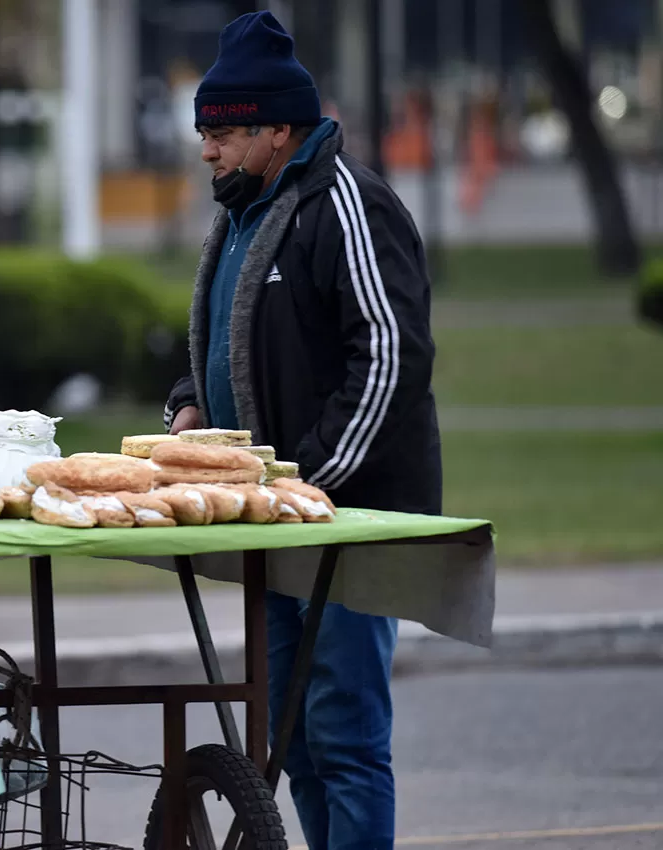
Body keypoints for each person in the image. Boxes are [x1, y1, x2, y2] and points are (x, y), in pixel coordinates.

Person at [164, 11, 441, 850]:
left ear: (279, 129)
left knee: (348, 741)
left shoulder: (344, 202)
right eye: (204, 132)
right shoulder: (247, 213)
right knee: (294, 742)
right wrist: (187, 405)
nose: (207, 150)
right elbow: (227, 344)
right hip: (277, 519)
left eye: (225, 132)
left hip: (349, 521)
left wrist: (311, 479)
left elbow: (391, 357)